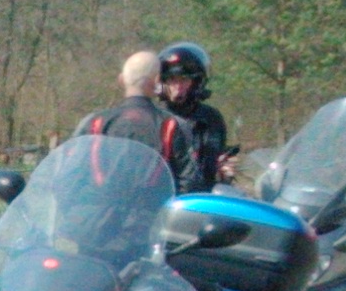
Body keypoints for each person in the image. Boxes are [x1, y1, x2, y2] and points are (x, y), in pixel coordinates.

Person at [79, 50, 208, 194]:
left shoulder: (94, 123)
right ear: (157, 81)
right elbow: (190, 183)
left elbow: (70, 178)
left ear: (121, 80)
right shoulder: (171, 126)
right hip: (154, 208)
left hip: (98, 208)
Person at [155, 43, 234, 189]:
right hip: (165, 196)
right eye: (172, 79)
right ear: (163, 82)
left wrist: (224, 171)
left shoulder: (211, 118)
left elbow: (217, 163)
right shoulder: (155, 118)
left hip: (202, 197)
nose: (178, 86)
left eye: (184, 80)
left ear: (196, 82)